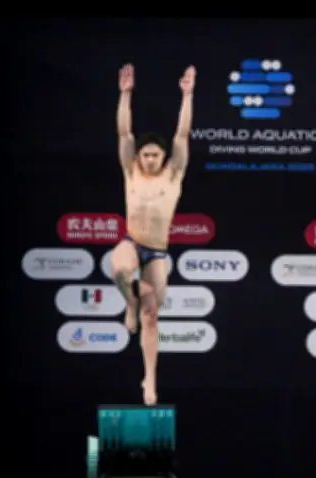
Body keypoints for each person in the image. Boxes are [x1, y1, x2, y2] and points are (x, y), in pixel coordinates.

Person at [109, 63, 196, 405]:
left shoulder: (173, 175)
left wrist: (187, 96)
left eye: (154, 155)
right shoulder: (130, 171)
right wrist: (125, 94)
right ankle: (129, 304)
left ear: (163, 157)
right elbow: (124, 134)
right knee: (119, 269)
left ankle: (149, 379)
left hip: (157, 253)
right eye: (144, 155)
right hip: (132, 243)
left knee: (152, 317)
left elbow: (182, 136)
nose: (148, 160)